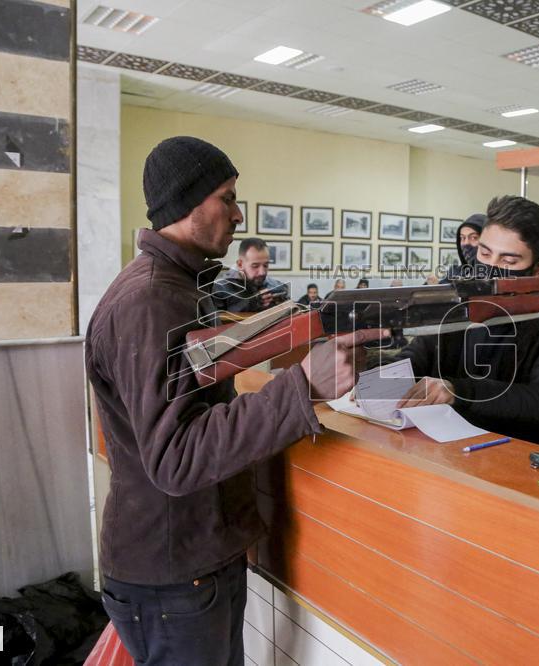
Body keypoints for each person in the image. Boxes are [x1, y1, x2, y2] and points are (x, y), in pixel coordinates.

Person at [85, 136, 385, 665]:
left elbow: (192, 388)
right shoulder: (152, 299)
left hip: (186, 563)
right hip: (174, 574)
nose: (238, 212)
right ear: (187, 204)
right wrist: (303, 386)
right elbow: (175, 457)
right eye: (227, 197)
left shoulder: (176, 287)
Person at [394, 195, 539, 450]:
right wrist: (374, 376)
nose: (490, 268)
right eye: (485, 254)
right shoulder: (460, 304)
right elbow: (418, 355)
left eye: (508, 261)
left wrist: (457, 390)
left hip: (524, 457)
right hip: (452, 447)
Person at [212, 237, 289, 312]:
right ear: (240, 264)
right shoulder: (219, 289)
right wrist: (251, 304)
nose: (262, 272)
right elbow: (217, 322)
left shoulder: (278, 286)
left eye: (265, 265)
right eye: (255, 266)